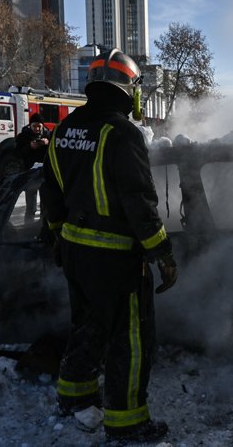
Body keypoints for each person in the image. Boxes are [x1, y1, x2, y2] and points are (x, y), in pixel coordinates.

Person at [40, 48, 178, 443]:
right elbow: (140, 201)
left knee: (87, 325)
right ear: (128, 90)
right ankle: (128, 422)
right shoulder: (121, 133)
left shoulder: (65, 130)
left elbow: (50, 192)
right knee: (130, 339)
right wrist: (162, 253)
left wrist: (59, 236)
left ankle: (74, 396)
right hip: (116, 259)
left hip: (75, 251)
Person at [15, 113, 51, 221]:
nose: (37, 128)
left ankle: (43, 227)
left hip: (45, 173)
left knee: (46, 205)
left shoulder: (48, 135)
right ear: (30, 125)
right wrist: (29, 146)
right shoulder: (23, 136)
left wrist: (47, 143)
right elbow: (17, 154)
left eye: (39, 126)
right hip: (30, 173)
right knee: (31, 205)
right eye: (34, 126)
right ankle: (28, 226)